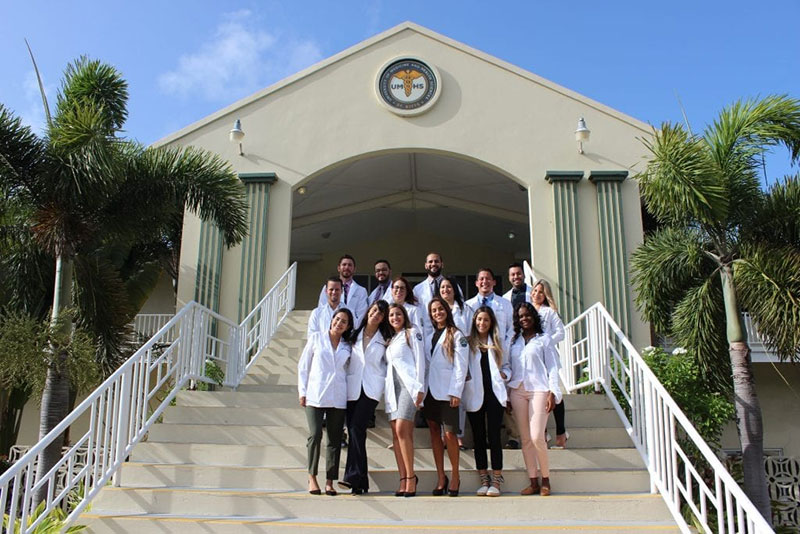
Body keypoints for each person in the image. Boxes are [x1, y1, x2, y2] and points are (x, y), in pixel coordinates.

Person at [297, 308, 355, 496]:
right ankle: (312, 477)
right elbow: (303, 366)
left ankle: (330, 481)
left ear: (347, 327)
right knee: (315, 435)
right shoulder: (316, 338)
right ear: (332, 320)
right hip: (315, 394)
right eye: (337, 319)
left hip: (338, 396)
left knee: (334, 440)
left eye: (344, 321)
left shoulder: (347, 346)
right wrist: (302, 391)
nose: (339, 323)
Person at [507, 302, 561, 496]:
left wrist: (553, 393)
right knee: (526, 439)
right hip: (517, 391)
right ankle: (533, 481)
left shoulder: (544, 339)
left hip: (539, 389)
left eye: (527, 315)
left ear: (534, 317)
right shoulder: (513, 341)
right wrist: (505, 393)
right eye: (520, 316)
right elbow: (507, 367)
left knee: (538, 436)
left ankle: (546, 478)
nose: (524, 319)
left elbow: (553, 368)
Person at [340, 300, 393, 494]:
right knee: (357, 432)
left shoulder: (386, 338)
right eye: (375, 310)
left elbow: (388, 364)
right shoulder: (353, 334)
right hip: (352, 388)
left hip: (370, 389)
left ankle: (352, 476)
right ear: (368, 311)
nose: (376, 315)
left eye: (381, 313)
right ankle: (360, 482)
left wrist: (383, 385)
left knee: (356, 428)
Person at [423, 297, 469, 497]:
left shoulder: (457, 335)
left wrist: (456, 391)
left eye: (440, 309)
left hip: (448, 392)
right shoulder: (428, 336)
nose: (437, 313)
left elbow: (461, 365)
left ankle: (456, 475)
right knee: (434, 432)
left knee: (450, 435)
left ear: (446, 311)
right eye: (433, 310)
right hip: (430, 392)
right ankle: (441, 477)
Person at [462, 306, 510, 496]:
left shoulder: (498, 343)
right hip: (475, 395)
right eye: (479, 319)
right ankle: (484, 478)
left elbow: (507, 366)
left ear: (491, 324)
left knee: (495, 437)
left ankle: (497, 480)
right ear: (474, 321)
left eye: (486, 320)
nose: (482, 323)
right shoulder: (468, 343)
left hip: (494, 396)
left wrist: (505, 374)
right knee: (478, 438)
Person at [384, 303, 425, 497]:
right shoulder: (391, 339)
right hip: (393, 388)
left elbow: (420, 360)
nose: (395, 318)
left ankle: (411, 477)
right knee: (396, 433)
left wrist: (420, 388)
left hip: (409, 386)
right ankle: (403, 479)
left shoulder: (412, 332)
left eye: (398, 314)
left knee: (402, 428)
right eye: (391, 315)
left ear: (404, 316)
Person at [436, 276, 473, 449]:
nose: (445, 290)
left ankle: (458, 436)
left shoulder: (465, 309)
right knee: (443, 400)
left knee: (459, 399)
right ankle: (445, 436)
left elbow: (470, 334)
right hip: (441, 361)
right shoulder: (436, 309)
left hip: (461, 357)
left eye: (449, 287)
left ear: (455, 289)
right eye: (442, 288)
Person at [531, 279, 568, 449]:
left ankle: (561, 433)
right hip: (532, 357)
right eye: (535, 290)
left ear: (545, 295)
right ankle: (543, 433)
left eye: (540, 292)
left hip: (547, 356)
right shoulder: (528, 310)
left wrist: (547, 342)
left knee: (553, 392)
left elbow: (561, 332)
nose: (537, 294)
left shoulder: (550, 312)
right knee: (538, 393)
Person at [465, 268, 514, 344]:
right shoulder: (467, 305)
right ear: (476, 283)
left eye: (488, 279)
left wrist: (505, 346)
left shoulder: (505, 304)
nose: (484, 281)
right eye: (481, 279)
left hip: (499, 348)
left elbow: (511, 329)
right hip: (474, 348)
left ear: (494, 282)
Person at [317, 254, 368, 326]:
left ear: (354, 269)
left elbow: (361, 315)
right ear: (338, 268)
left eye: (350, 265)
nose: (347, 267)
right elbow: (322, 310)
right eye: (344, 264)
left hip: (351, 331)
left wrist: (349, 328)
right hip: (330, 329)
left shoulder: (361, 291)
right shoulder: (327, 288)